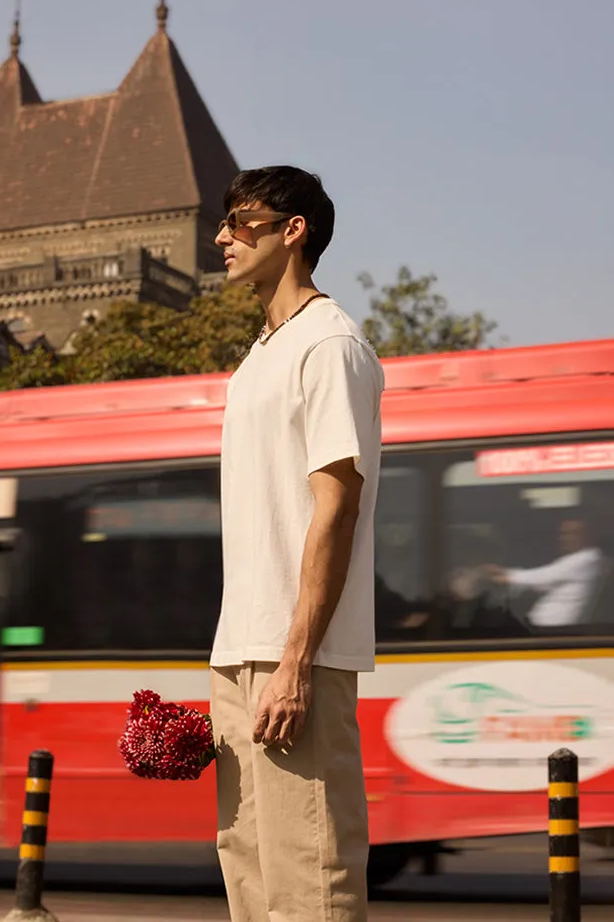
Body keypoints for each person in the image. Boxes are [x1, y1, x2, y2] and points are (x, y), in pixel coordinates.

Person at [209, 166, 384, 922]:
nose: (222, 237)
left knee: (311, 884)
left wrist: (295, 663)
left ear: (293, 231)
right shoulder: (258, 357)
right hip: (240, 651)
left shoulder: (330, 345)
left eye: (240, 221)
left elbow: (337, 507)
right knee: (251, 881)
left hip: (292, 656)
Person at [483, 517, 604, 627]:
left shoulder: (588, 558)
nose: (566, 538)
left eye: (574, 534)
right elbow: (541, 584)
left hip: (552, 633)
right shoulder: (574, 559)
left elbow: (541, 577)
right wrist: (502, 572)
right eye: (563, 534)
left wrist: (504, 577)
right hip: (541, 629)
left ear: (589, 535)